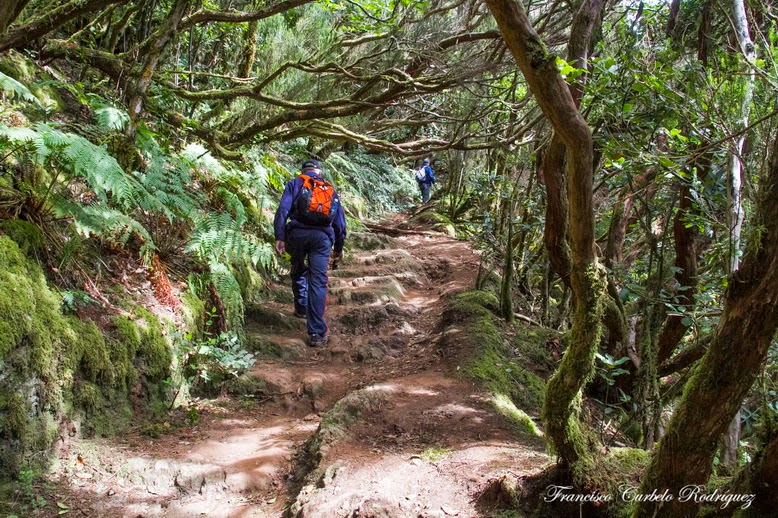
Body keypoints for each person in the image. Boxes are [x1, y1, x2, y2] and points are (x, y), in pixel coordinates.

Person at [273, 159, 346, 347]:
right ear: (319, 172)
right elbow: (339, 223)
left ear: (302, 171)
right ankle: (316, 332)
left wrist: (280, 236)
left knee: (298, 269)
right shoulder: (329, 188)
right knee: (318, 280)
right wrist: (338, 248)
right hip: (322, 239)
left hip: (296, 235)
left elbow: (283, 210)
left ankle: (301, 307)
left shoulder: (295, 183)